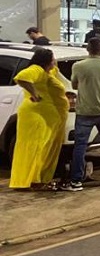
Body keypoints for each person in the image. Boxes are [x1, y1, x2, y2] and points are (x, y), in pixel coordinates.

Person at [8, 48, 68, 190]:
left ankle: (39, 179)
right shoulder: (37, 70)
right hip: (37, 115)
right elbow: (22, 77)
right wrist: (34, 94)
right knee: (37, 147)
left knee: (46, 147)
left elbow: (55, 69)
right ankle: (30, 180)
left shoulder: (48, 72)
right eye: (52, 59)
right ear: (46, 61)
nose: (54, 61)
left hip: (49, 117)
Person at [65, 38, 100, 191]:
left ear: (88, 49)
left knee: (80, 146)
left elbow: (75, 85)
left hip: (85, 111)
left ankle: (76, 181)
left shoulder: (78, 66)